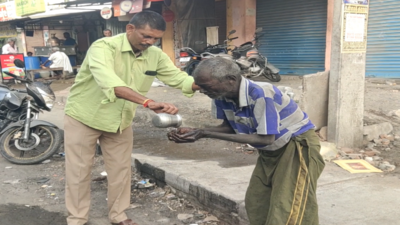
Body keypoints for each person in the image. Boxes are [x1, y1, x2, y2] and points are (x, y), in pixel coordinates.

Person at [64, 11, 199, 225]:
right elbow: (111, 83)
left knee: (120, 170)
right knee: (79, 171)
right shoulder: (103, 47)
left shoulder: (155, 54)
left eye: (155, 38)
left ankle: (118, 215)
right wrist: (148, 102)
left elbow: (178, 78)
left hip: (120, 120)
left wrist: (203, 83)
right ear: (130, 29)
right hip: (85, 116)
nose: (150, 42)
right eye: (146, 36)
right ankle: (77, 218)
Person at [168, 57, 325, 225]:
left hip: (296, 147)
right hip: (270, 151)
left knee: (289, 207)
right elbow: (229, 127)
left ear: (231, 80)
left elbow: (265, 138)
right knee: (257, 202)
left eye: (207, 86)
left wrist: (204, 133)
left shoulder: (261, 94)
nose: (202, 91)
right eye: (200, 86)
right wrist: (195, 131)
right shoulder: (221, 95)